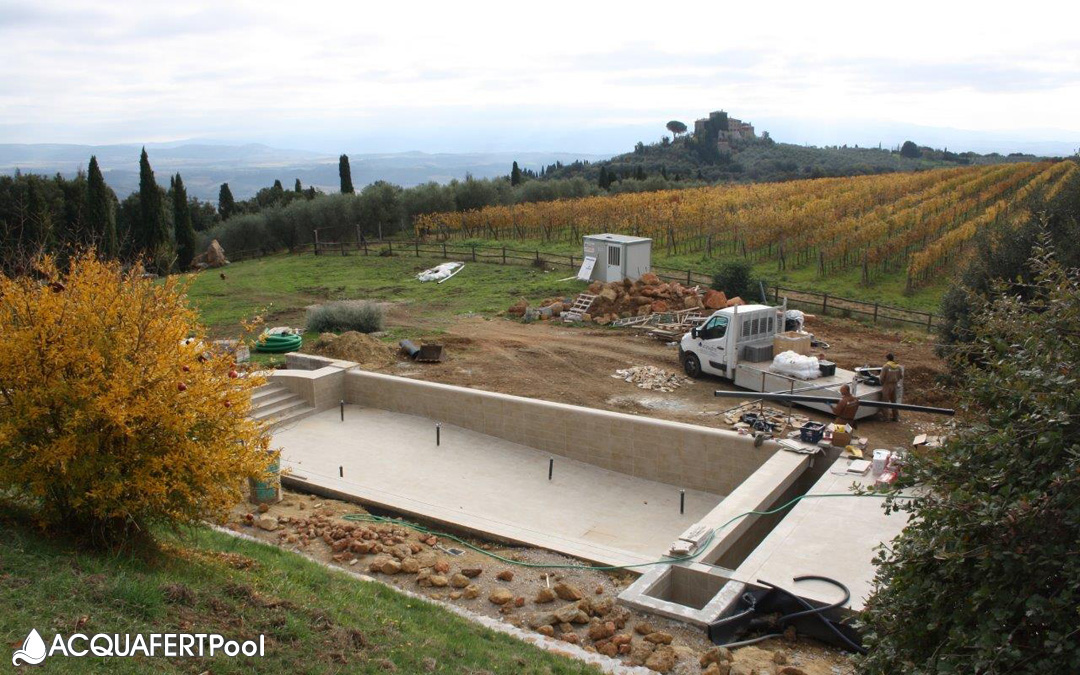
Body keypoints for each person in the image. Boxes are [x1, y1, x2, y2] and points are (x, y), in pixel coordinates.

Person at [879, 353, 903, 422]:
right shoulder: (898, 366)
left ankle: (886, 418)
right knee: (894, 402)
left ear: (887, 359)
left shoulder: (886, 366)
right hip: (895, 385)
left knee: (885, 402)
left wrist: (882, 383)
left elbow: (881, 378)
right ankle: (896, 417)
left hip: (887, 385)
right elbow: (901, 376)